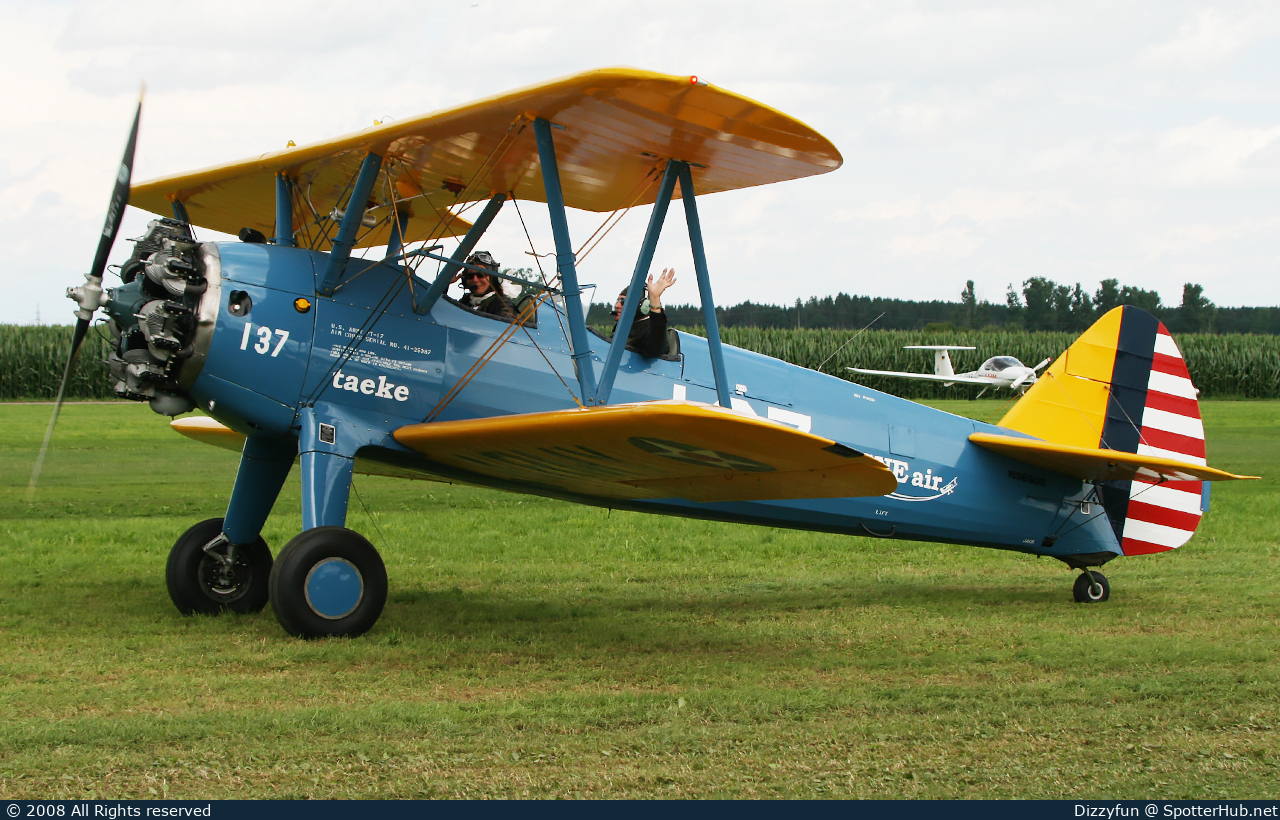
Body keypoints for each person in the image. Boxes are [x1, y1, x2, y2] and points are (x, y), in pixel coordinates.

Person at [613, 267, 676, 358]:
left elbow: (655, 348)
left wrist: (654, 299)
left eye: (623, 301)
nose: (617, 305)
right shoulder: (620, 331)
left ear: (643, 306)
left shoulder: (647, 332)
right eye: (618, 301)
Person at [455, 250, 516, 321]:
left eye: (481, 275)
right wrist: (447, 282)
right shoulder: (466, 301)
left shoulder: (502, 305)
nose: (475, 280)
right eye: (470, 276)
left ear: (493, 278)